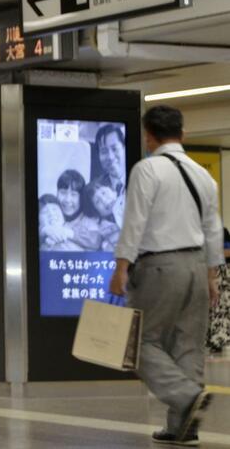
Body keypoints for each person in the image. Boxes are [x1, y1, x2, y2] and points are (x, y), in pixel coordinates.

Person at [110, 105, 224, 445]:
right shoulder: (203, 175)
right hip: (196, 265)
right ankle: (182, 427)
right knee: (187, 346)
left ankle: (186, 396)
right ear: (183, 134)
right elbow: (213, 228)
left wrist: (121, 266)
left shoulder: (147, 170)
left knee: (138, 341)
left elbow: (135, 221)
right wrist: (213, 275)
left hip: (160, 267)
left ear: (148, 136)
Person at [54, 169, 101, 251]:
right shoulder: (52, 215)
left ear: (81, 198)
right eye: (63, 193)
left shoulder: (89, 224)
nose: (68, 200)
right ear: (56, 193)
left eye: (73, 194)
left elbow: (96, 241)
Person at [94, 123, 127, 226]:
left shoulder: (139, 179)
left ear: (124, 148)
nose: (110, 157)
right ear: (98, 156)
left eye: (115, 149)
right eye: (104, 151)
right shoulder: (94, 189)